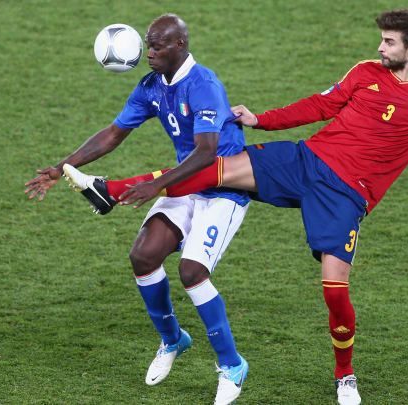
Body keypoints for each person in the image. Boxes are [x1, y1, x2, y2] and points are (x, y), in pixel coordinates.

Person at [64, 9, 408, 405]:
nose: (380, 49)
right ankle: (114, 187)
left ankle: (345, 375)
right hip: (305, 161)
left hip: (346, 196)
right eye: (381, 41)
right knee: (223, 168)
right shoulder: (364, 73)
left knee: (334, 290)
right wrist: (262, 121)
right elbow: (321, 104)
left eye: (389, 43)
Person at [24, 14, 250, 405]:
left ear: (180, 45)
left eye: (158, 46)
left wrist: (157, 183)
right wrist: (64, 167)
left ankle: (232, 365)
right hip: (182, 182)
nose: (150, 53)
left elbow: (207, 152)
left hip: (223, 188)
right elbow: (114, 134)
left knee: (192, 270)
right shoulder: (151, 87)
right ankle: (173, 340)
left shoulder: (204, 85)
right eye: (148, 45)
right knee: (143, 256)